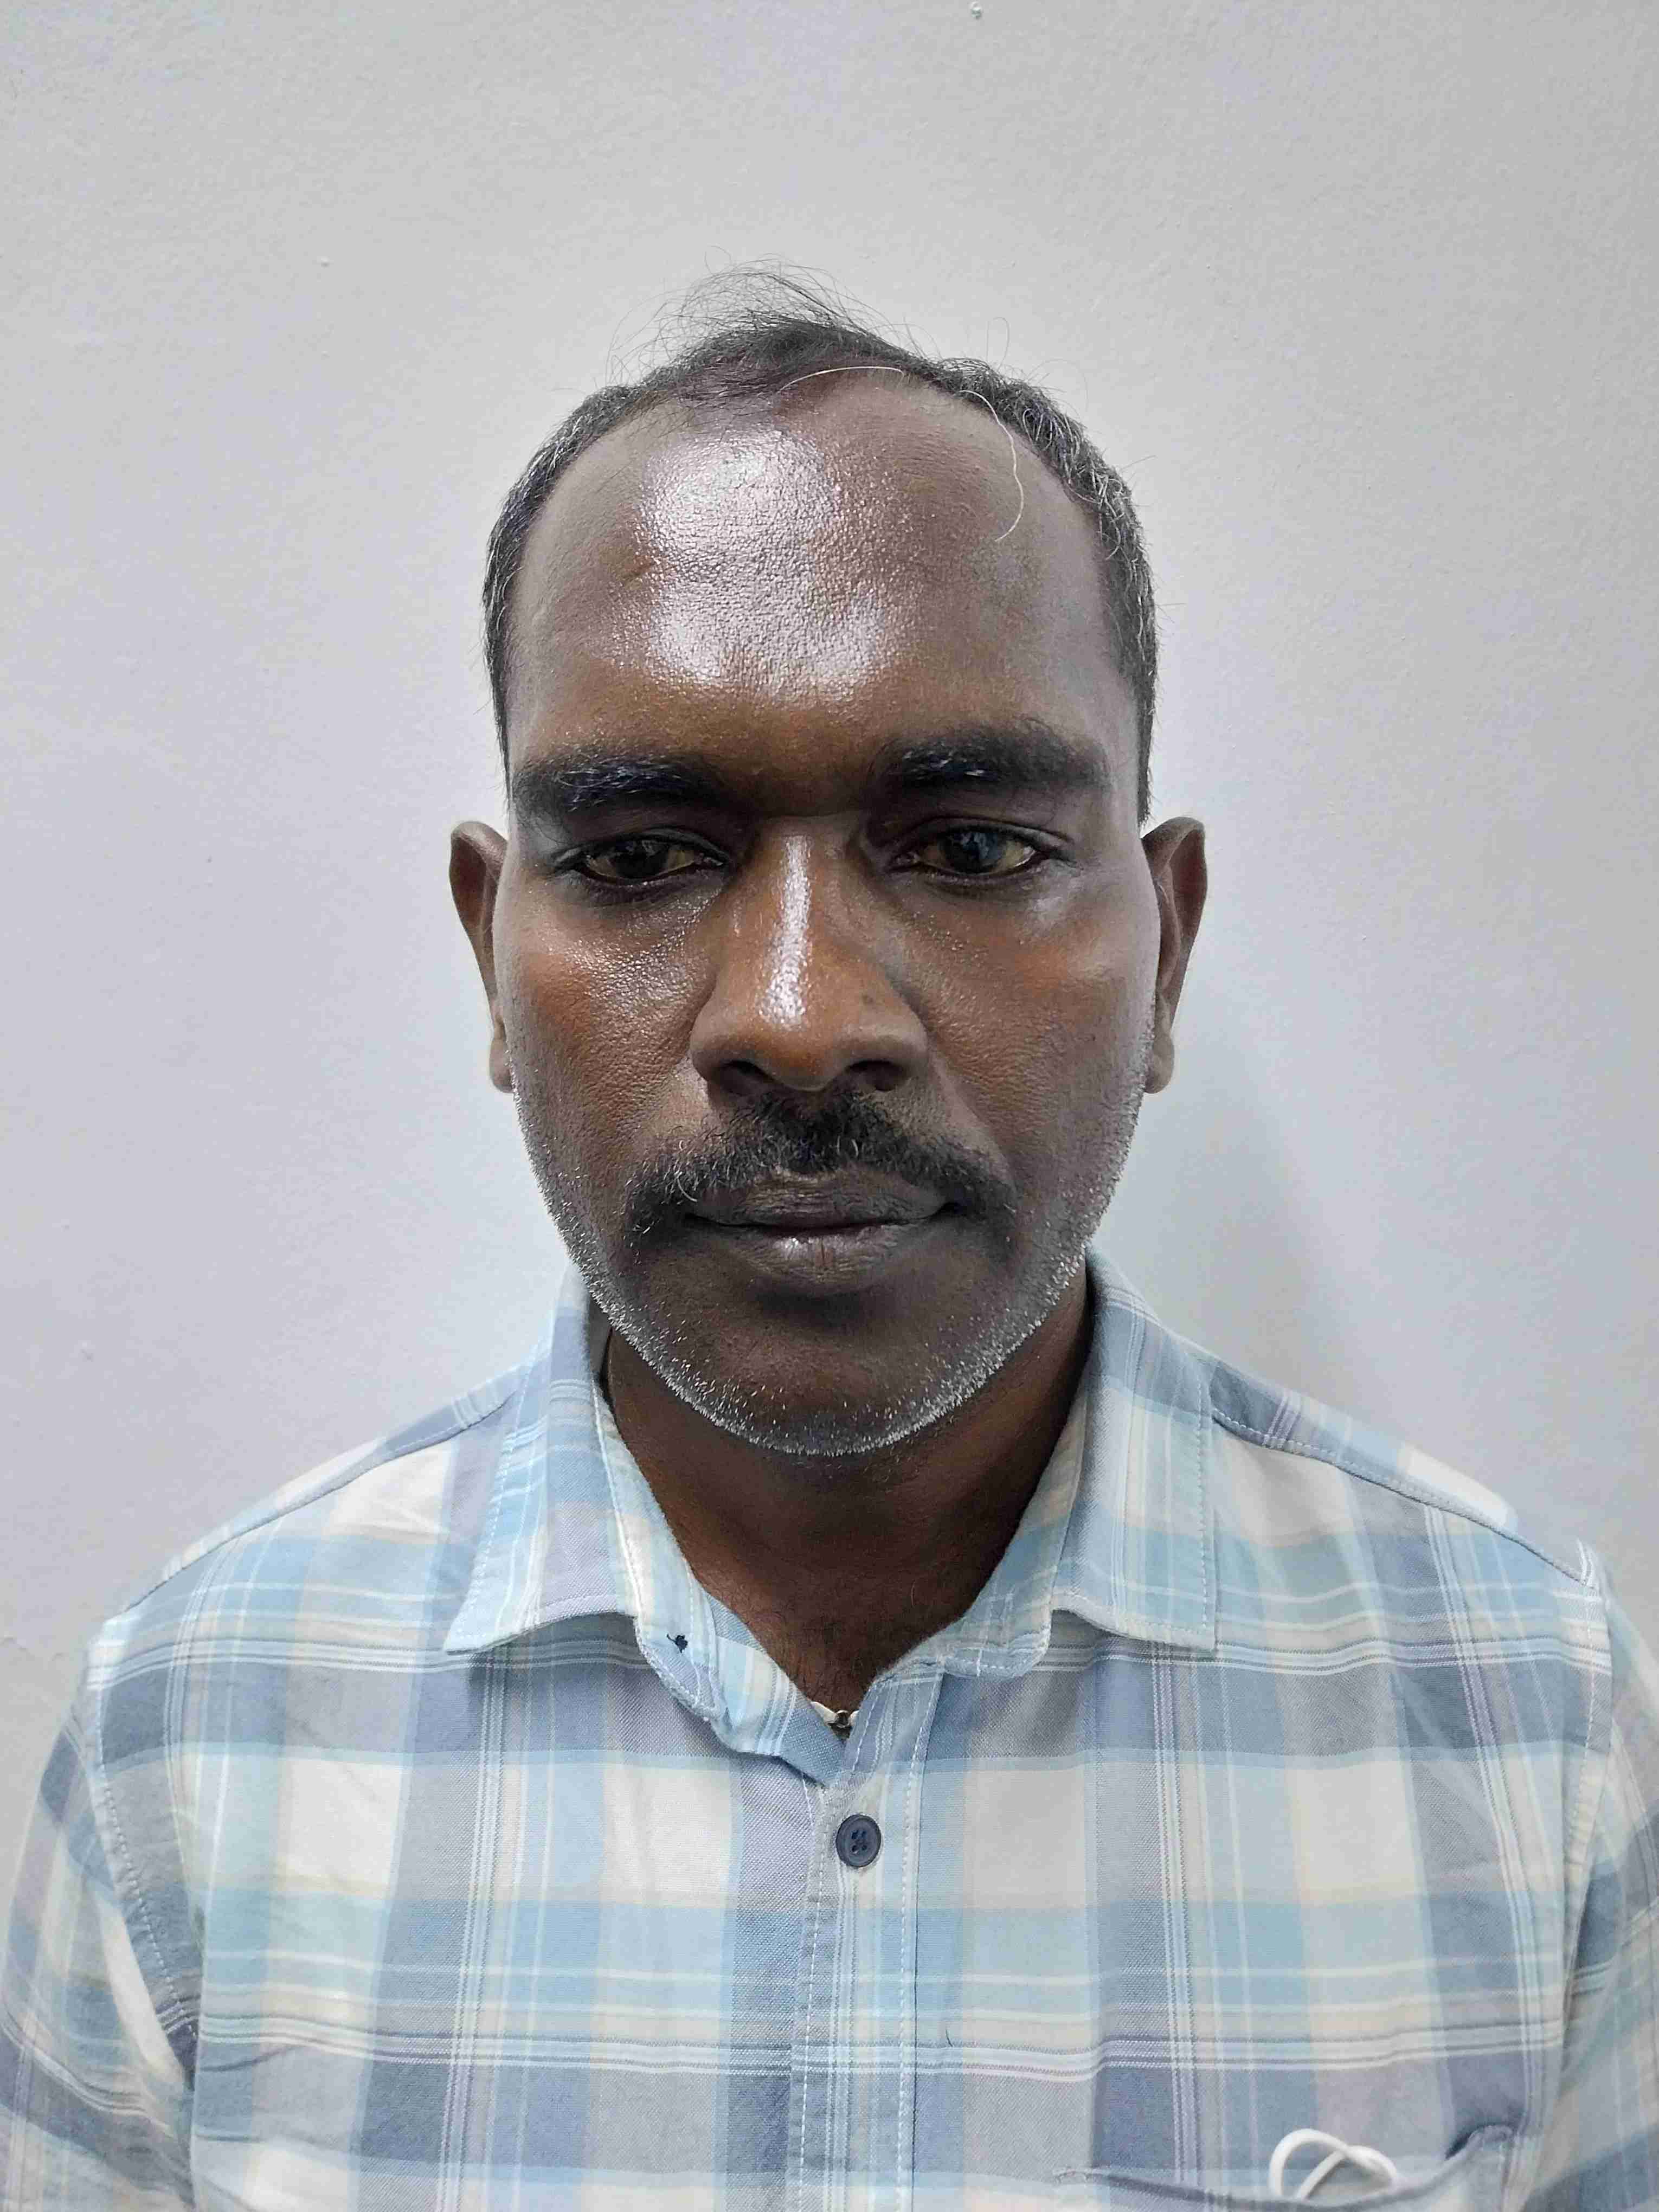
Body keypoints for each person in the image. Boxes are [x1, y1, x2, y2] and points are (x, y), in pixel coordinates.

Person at [3, 275, 1656, 2210]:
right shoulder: (198, 1736)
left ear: (1165, 949)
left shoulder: (1522, 1714)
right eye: (640, 859)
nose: (796, 1017)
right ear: (490, 957)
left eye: (970, 847)